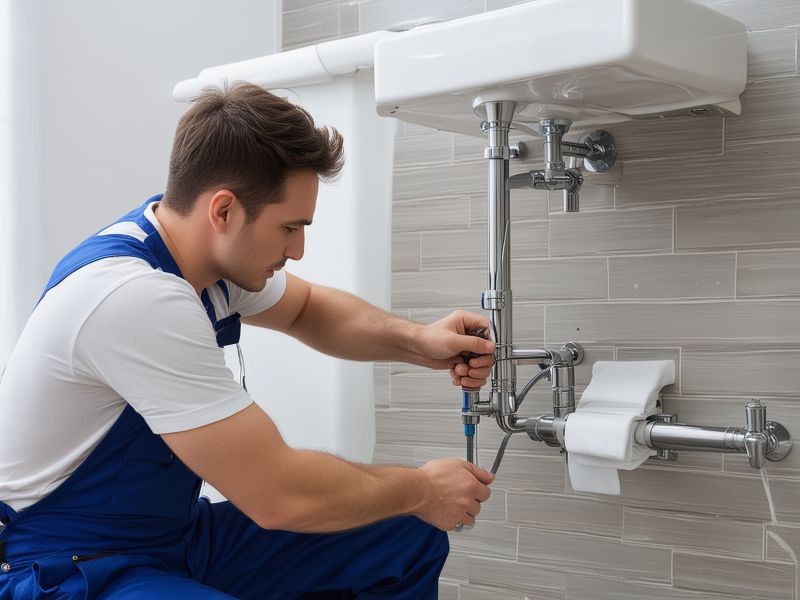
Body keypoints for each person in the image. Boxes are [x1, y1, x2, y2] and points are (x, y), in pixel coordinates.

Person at [0, 82, 497, 599]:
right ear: (223, 211)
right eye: (289, 227)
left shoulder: (196, 252)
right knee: (406, 504)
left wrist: (419, 341)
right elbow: (279, 495)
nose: (298, 250)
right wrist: (422, 488)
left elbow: (307, 309)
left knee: (404, 535)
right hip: (64, 567)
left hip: (176, 538)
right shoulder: (134, 298)